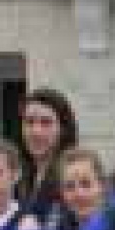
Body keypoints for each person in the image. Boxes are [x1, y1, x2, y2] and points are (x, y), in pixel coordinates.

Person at [13, 88, 79, 220]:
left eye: (46, 122)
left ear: (63, 128)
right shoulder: (19, 177)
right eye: (29, 122)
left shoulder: (73, 173)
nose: (36, 132)